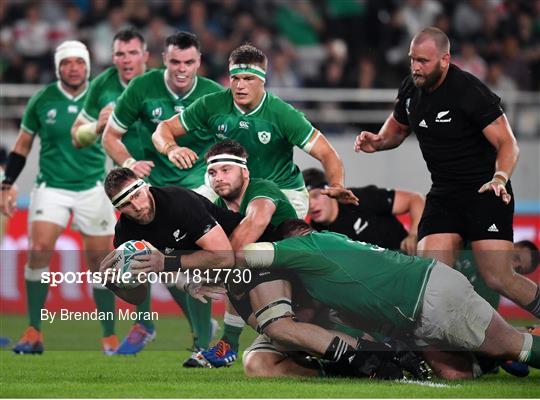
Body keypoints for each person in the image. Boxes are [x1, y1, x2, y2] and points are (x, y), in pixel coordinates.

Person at [100, 168, 392, 377]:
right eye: (126, 203)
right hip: (238, 280)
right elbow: (139, 292)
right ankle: (341, 367)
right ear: (117, 208)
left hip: (262, 259)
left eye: (137, 194)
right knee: (260, 365)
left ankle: (379, 354)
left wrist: (170, 265)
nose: (137, 205)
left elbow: (224, 256)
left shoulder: (178, 201)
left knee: (282, 327)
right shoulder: (125, 234)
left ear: (144, 185)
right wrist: (117, 284)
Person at [354, 26, 540, 319]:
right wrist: (378, 141)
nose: (416, 66)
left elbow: (508, 143)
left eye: (423, 61)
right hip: (444, 194)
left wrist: (500, 177)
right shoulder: (410, 88)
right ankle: (467, 350)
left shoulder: (469, 91)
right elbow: (397, 127)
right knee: (431, 278)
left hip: (485, 191)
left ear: (445, 60)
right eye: (412, 59)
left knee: (498, 277)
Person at [239, 220, 540, 374]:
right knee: (453, 375)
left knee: (518, 347)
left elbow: (251, 253)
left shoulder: (309, 244)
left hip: (428, 295)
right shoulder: (329, 250)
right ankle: (494, 355)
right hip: (419, 308)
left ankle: (517, 341)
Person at [101, 31, 223, 363]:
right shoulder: (142, 87)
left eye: (189, 62)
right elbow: (110, 137)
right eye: (174, 62)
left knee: (190, 264)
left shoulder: (214, 95)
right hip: (149, 192)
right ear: (163, 59)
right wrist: (129, 163)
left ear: (199, 61)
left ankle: (202, 341)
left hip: (197, 188)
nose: (182, 69)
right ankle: (193, 328)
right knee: (163, 269)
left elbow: (236, 146)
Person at [0, 40, 117, 355]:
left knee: (101, 263)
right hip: (51, 186)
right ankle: (33, 330)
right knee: (38, 250)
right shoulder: (42, 99)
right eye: (67, 63)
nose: (73, 67)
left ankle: (109, 335)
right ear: (58, 67)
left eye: (79, 62)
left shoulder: (104, 96)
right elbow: (22, 145)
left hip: (93, 186)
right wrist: (7, 182)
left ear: (87, 66)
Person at [152, 43, 358, 220]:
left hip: (282, 192)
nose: (240, 86)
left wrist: (337, 183)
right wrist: (171, 148)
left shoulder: (283, 114)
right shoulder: (211, 105)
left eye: (248, 79)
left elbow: (327, 153)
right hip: (227, 189)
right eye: (235, 78)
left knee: (259, 250)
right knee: (182, 215)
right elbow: (163, 129)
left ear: (262, 80)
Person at [69, 28, 150, 356]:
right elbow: (77, 136)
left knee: (170, 255)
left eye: (132, 53)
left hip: (162, 181)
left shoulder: (159, 83)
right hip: (118, 186)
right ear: (112, 56)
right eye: (120, 54)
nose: (126, 60)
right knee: (117, 258)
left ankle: (199, 332)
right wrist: (95, 127)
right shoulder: (103, 86)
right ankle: (136, 326)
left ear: (145, 55)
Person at [198, 140, 298, 367]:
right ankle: (229, 343)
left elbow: (257, 220)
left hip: (303, 278)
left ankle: (233, 341)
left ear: (244, 171)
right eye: (212, 172)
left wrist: (212, 271)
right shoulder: (219, 207)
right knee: (235, 270)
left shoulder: (263, 190)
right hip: (270, 280)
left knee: (235, 263)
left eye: (226, 170)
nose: (218, 177)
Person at [303, 168, 424, 254]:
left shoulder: (358, 198)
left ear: (330, 191)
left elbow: (415, 199)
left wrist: (413, 235)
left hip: (405, 261)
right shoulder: (315, 234)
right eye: (305, 199)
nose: (311, 205)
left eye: (316, 196)